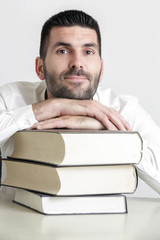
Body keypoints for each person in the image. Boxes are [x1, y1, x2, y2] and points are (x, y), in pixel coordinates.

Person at [0, 10, 160, 194]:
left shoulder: (124, 110)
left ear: (101, 69)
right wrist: (50, 108)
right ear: (40, 67)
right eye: (63, 51)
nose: (77, 63)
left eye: (88, 52)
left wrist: (118, 136)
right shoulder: (11, 98)